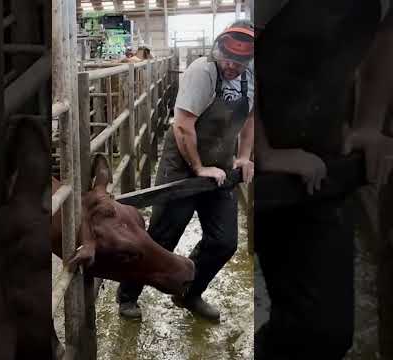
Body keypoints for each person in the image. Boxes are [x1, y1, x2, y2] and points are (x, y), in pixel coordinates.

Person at [254, 0, 391, 359]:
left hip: (325, 161)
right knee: (297, 316)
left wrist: (368, 124)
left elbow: (384, 39)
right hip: (264, 163)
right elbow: (237, 58)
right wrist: (265, 152)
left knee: (331, 331)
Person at [117, 21, 255, 321]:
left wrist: (244, 157)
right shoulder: (202, 72)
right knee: (163, 236)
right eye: (229, 59)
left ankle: (189, 292)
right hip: (182, 163)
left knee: (224, 241)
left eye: (241, 61)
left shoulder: (252, 77)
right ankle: (127, 296)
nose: (233, 66)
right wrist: (199, 167)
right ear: (219, 50)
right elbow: (182, 125)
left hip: (220, 165)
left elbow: (251, 120)